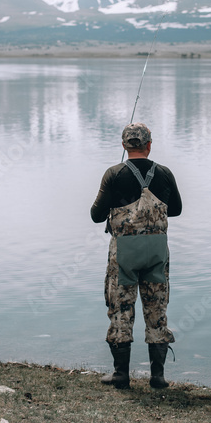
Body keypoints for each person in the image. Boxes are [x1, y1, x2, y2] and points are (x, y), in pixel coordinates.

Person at [90, 122, 182, 389]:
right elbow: (175, 209)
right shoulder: (164, 173)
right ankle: (158, 377)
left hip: (124, 256)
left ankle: (121, 374)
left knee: (120, 309)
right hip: (156, 252)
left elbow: (96, 216)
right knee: (157, 310)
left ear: (124, 145)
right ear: (149, 145)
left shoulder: (113, 174)